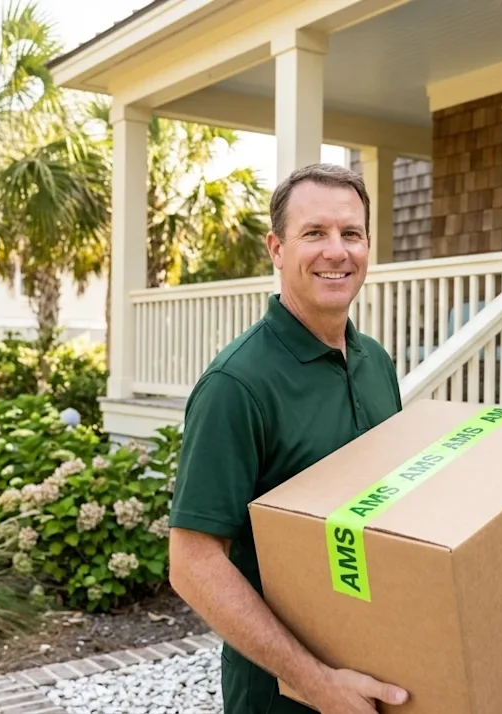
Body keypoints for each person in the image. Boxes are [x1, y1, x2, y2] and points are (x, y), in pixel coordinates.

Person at [168, 163, 409, 714]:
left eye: (351, 233)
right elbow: (193, 563)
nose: (336, 251)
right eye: (314, 233)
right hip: (281, 695)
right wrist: (319, 684)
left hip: (379, 669)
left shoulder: (376, 363)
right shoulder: (236, 384)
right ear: (277, 249)